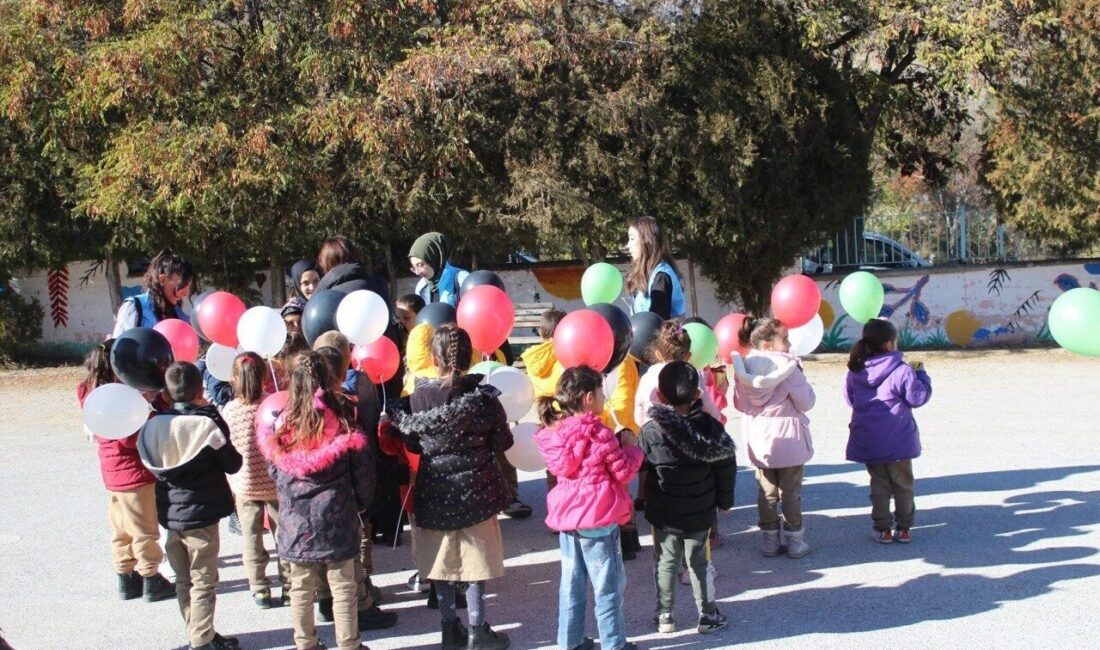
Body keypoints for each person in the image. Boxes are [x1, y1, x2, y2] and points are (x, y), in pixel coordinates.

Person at [394, 324, 514, 650]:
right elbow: (503, 440)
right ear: (471, 356)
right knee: (475, 563)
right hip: (478, 490)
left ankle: (450, 629)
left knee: (442, 563)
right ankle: (477, 630)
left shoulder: (416, 399)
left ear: (434, 358)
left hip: (435, 490)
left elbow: (414, 447)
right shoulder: (484, 399)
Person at [257, 352, 375, 650]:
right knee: (344, 584)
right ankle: (349, 644)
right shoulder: (344, 418)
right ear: (328, 379)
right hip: (337, 513)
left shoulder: (281, 424)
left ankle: (305, 643)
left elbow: (274, 468)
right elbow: (362, 468)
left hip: (296, 519)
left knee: (300, 587)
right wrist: (362, 502)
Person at [535, 365, 643, 650]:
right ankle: (614, 644)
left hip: (569, 520)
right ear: (587, 398)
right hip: (599, 519)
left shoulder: (556, 434)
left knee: (571, 585)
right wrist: (632, 449)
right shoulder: (600, 433)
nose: (603, 398)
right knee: (608, 587)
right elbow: (623, 473)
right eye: (600, 393)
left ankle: (569, 642)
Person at [137, 363, 243, 650]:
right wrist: (212, 415)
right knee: (204, 580)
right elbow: (233, 464)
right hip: (202, 515)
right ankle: (201, 639)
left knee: (184, 580)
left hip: (171, 514)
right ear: (200, 390)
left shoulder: (152, 425)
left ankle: (200, 632)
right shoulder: (205, 425)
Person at [640, 361, 735, 635]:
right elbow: (725, 466)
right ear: (697, 394)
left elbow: (642, 468)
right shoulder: (711, 427)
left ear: (659, 395)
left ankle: (664, 615)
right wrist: (725, 500)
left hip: (663, 510)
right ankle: (707, 613)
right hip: (700, 509)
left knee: (665, 561)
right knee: (699, 562)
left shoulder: (650, 430)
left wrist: (642, 500)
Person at [77, 340, 175, 604]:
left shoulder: (94, 394)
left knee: (120, 526)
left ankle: (125, 574)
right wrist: (154, 413)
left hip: (111, 472)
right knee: (144, 528)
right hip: (133, 473)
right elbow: (130, 438)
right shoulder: (119, 398)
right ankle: (151, 576)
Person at [312, 334, 398, 631]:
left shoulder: (301, 404)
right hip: (345, 487)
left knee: (322, 547)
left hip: (310, 494)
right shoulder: (351, 398)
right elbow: (365, 438)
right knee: (352, 548)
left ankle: (324, 600)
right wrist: (365, 493)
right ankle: (361, 603)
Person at [731, 317, 816, 559]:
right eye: (785, 338)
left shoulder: (744, 367)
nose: (789, 343)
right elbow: (806, 402)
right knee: (790, 493)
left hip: (760, 442)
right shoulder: (787, 368)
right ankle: (795, 542)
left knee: (766, 493)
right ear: (767, 345)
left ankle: (769, 542)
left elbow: (739, 403)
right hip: (789, 440)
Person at [845, 319, 932, 544]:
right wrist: (921, 375)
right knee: (903, 485)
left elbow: (850, 399)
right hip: (898, 440)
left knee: (879, 485)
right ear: (890, 343)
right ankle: (904, 528)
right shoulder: (902, 369)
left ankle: (882, 529)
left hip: (869, 437)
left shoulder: (855, 369)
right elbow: (917, 397)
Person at [222, 352, 289, 609]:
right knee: (283, 535)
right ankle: (290, 586)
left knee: (251, 538)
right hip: (273, 483)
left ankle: (259, 588)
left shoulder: (230, 411)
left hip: (245, 485)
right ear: (264, 376)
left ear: (234, 379)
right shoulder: (272, 405)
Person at [112, 250, 195, 337]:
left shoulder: (180, 316)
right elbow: (120, 347)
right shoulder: (136, 307)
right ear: (162, 280)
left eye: (188, 286)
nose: (185, 293)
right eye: (182, 285)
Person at [625, 217, 684, 320]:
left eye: (632, 238)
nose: (628, 245)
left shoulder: (661, 276)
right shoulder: (648, 274)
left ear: (647, 240)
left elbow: (657, 323)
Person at [408, 232, 469, 306]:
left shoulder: (461, 279)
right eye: (414, 267)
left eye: (420, 265)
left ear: (434, 258)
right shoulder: (421, 287)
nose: (417, 272)